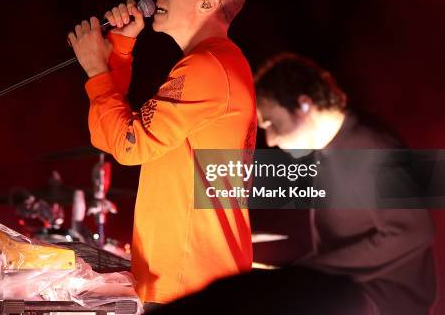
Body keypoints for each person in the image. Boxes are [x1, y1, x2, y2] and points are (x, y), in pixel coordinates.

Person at [153, 53, 436, 314]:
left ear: (304, 104)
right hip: (349, 293)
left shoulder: (375, 148)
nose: (272, 140)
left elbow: (413, 233)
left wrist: (312, 271)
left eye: (272, 124)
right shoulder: (327, 151)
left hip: (384, 302)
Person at [67, 0, 256, 306]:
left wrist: (95, 68)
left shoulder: (207, 67)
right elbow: (113, 137)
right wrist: (118, 52)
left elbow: (128, 146)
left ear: (208, 2)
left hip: (189, 282)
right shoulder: (217, 63)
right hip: (190, 280)